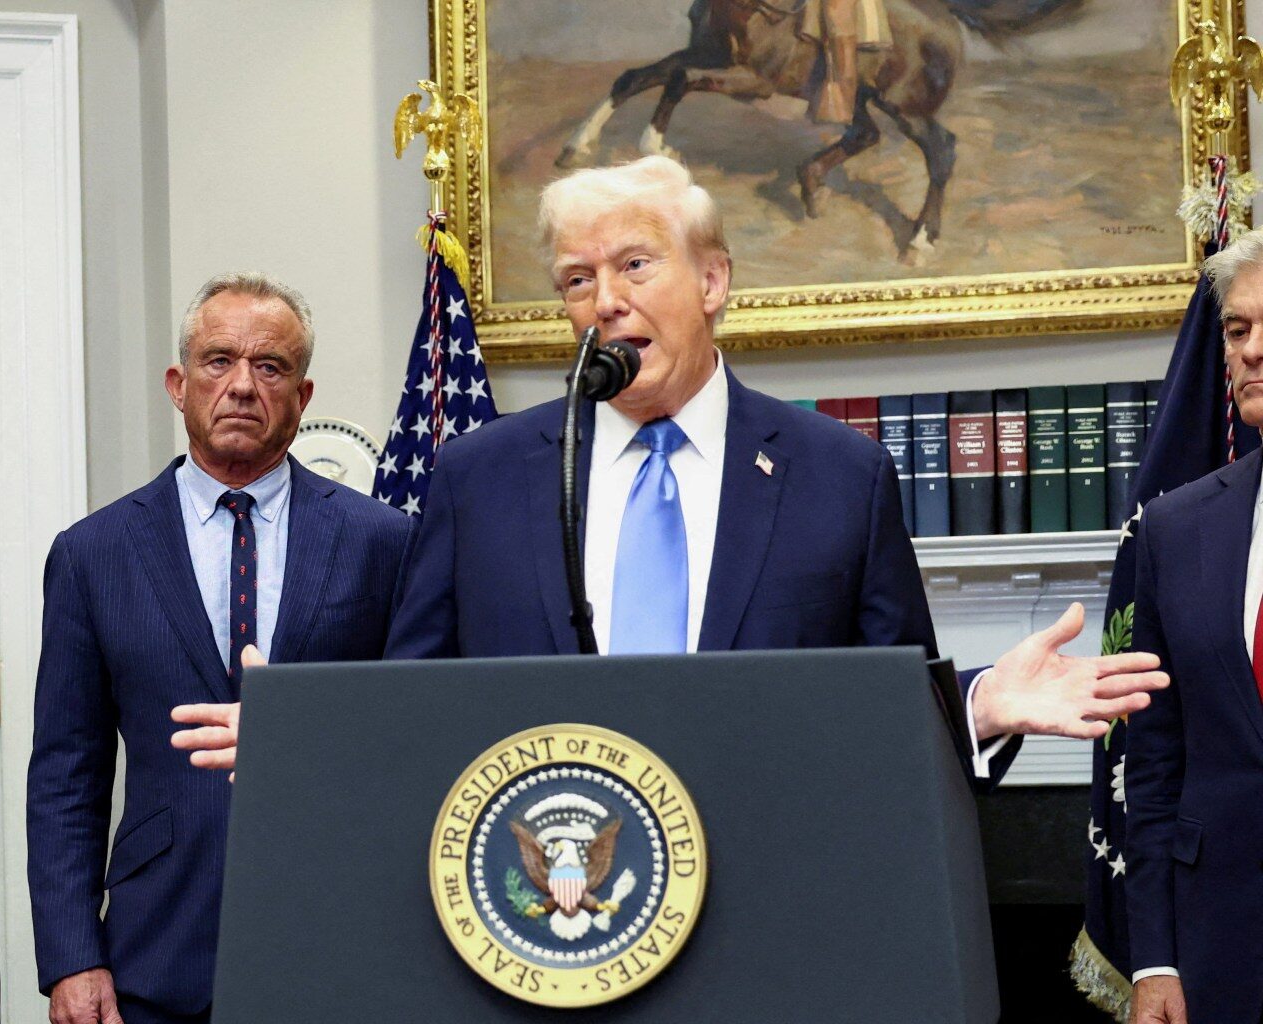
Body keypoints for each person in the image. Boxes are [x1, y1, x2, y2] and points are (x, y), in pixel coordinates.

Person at [172, 157, 1167, 782]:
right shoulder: (482, 477)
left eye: (635, 265)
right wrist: (312, 745)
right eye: (577, 279)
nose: (604, 300)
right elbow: (416, 704)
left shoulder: (839, 474)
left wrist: (982, 703)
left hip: (767, 915)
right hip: (543, 913)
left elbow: (886, 707)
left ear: (714, 279)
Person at [27, 273, 412, 1024]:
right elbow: (65, 774)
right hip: (157, 945)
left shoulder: (383, 541)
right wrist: (72, 956)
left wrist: (301, 734)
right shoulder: (93, 553)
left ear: (301, 397)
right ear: (178, 385)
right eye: (218, 361)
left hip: (341, 934)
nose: (241, 385)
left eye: (270, 367)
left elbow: (413, 732)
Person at [1125, 230, 1263, 1024]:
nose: (1250, 350)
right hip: (1220, 953)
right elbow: (1153, 763)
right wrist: (1154, 958)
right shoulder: (1176, 528)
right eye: (1236, 329)